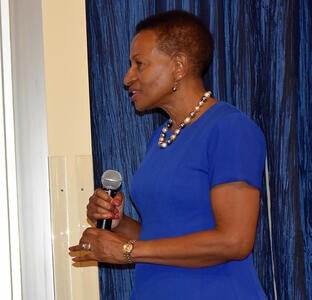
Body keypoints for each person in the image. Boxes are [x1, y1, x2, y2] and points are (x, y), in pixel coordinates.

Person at [69, 10, 267, 299]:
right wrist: (120, 224)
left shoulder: (230, 129)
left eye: (139, 64)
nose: (128, 78)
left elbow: (234, 241)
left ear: (178, 66)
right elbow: (165, 238)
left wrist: (126, 251)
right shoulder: (161, 138)